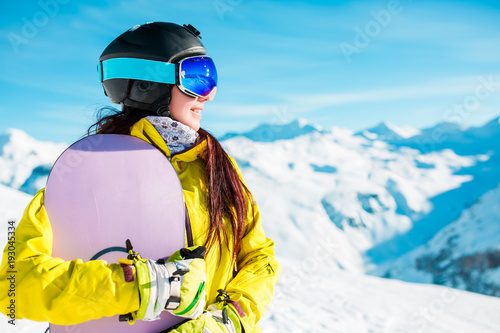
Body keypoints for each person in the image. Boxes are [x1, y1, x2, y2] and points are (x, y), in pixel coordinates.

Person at [0, 22, 281, 332]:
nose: (208, 95)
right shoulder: (86, 173)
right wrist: (144, 287)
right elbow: (15, 283)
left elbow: (260, 257)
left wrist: (228, 320)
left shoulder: (217, 168)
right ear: (150, 85)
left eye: (210, 77)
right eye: (196, 78)